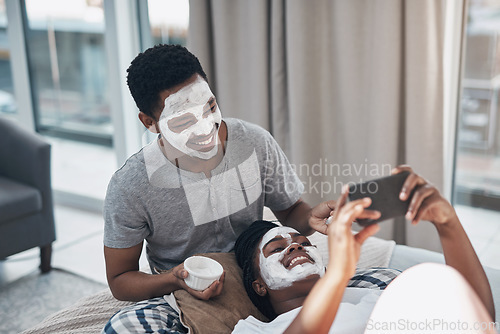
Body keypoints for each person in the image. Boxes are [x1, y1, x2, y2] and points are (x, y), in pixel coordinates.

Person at [101, 44, 343, 333]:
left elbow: (290, 210)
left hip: (259, 276)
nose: (205, 128)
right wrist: (175, 279)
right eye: (184, 121)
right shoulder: (130, 186)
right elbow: (120, 279)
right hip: (186, 290)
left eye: (210, 107)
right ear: (150, 123)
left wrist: (310, 216)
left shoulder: (255, 143)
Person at [233, 167, 496, 334]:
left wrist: (446, 222)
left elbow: (480, 320)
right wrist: (337, 275)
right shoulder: (254, 329)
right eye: (277, 248)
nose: (294, 246)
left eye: (303, 243)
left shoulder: (372, 292)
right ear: (259, 286)